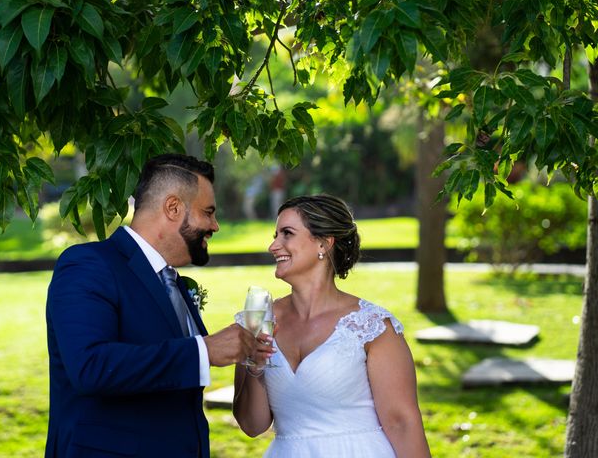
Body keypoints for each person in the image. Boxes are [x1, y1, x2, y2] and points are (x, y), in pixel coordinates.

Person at [45, 153, 260, 458]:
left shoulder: (172, 280)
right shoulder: (89, 265)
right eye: (208, 212)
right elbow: (90, 367)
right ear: (173, 208)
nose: (215, 225)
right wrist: (204, 351)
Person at [233, 194, 431, 457]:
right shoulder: (255, 321)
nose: (273, 246)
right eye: (275, 235)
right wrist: (255, 368)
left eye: (287, 234)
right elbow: (252, 425)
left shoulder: (372, 327)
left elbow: (402, 423)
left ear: (324, 244)